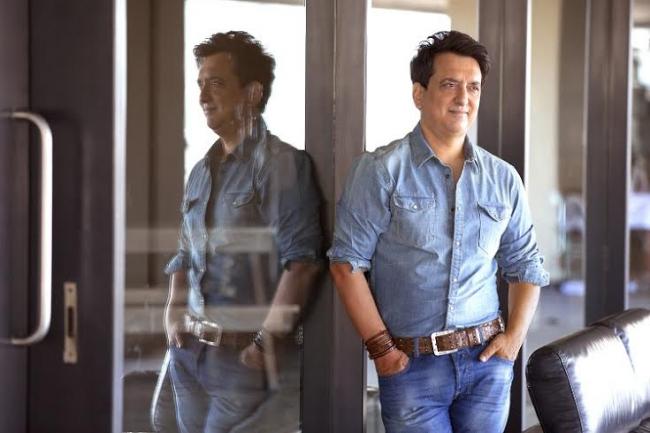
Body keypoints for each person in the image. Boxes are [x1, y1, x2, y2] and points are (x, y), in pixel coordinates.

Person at [328, 30, 549, 433]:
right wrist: (383, 352)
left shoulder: (503, 178)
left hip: (487, 363)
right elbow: (346, 265)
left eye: (473, 87)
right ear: (419, 94)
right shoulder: (381, 171)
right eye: (449, 84)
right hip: (411, 367)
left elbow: (527, 265)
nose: (464, 97)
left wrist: (514, 339)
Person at [164, 31, 322, 433]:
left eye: (215, 83)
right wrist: (174, 311)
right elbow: (184, 252)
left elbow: (302, 264)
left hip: (241, 362)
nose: (203, 96)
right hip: (189, 354)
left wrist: (264, 343)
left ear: (252, 93)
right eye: (200, 84)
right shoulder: (201, 170)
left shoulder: (281, 164)